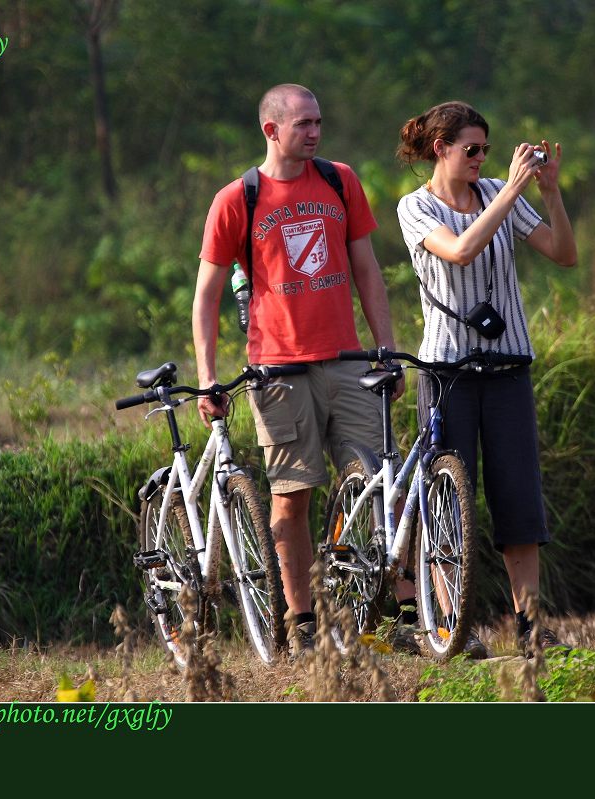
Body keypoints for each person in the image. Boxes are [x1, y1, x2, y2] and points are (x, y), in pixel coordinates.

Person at [192, 83, 411, 654]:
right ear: (271, 130)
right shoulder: (237, 199)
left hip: (348, 362)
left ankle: (408, 612)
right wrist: (208, 377)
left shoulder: (340, 179)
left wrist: (385, 347)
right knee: (293, 496)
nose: (314, 132)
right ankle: (302, 620)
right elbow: (207, 297)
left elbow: (367, 269)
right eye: (303, 124)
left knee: (380, 483)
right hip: (279, 371)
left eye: (318, 121)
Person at [396, 101, 577, 656]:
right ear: (439, 149)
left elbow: (563, 254)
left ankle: (529, 625)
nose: (479, 160)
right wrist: (511, 192)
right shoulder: (415, 207)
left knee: (519, 500)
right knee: (448, 501)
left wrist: (547, 191)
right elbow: (460, 249)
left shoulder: (500, 191)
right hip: (448, 371)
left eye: (486, 151)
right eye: (469, 150)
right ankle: (450, 623)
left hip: (507, 369)